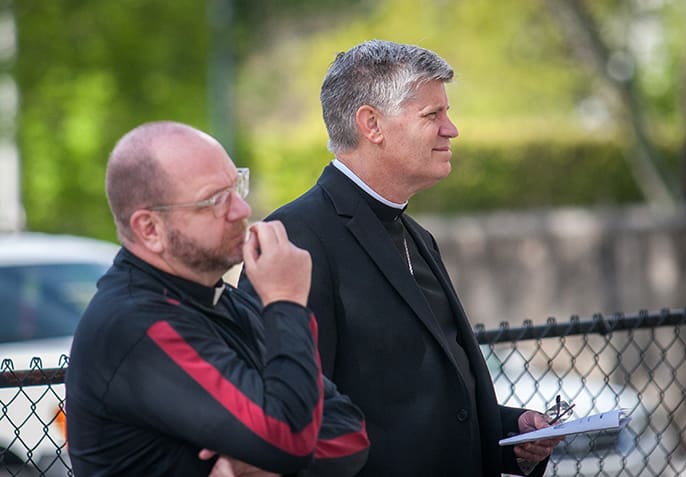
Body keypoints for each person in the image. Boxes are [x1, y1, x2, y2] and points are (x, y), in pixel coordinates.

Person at [239, 40, 561, 476]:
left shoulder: (418, 236)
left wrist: (512, 433)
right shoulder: (294, 238)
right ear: (372, 124)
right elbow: (292, 416)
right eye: (433, 115)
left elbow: (421, 400)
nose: (452, 130)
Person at [65, 121, 369, 477]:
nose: (241, 209)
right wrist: (287, 302)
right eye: (214, 200)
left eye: (237, 186)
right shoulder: (137, 324)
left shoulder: (224, 299)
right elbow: (290, 437)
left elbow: (350, 433)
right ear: (150, 229)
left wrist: (252, 461)